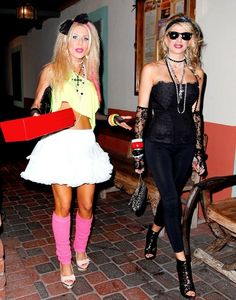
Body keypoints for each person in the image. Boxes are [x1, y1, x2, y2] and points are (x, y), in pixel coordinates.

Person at [20, 13, 130, 289]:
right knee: (63, 206)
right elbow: (36, 105)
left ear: (92, 44)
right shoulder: (52, 69)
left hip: (86, 145)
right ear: (65, 41)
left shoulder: (92, 75)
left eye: (86, 38)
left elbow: (96, 114)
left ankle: (80, 247)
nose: (80, 42)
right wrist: (35, 116)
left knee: (87, 205)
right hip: (59, 144)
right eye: (75, 37)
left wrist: (114, 119)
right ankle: (64, 258)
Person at [131, 14, 206, 298]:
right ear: (165, 39)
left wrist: (199, 151)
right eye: (174, 34)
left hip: (185, 144)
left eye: (185, 36)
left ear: (192, 41)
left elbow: (197, 115)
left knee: (169, 196)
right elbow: (142, 113)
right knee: (174, 201)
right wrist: (138, 152)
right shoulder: (151, 70)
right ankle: (183, 266)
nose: (179, 40)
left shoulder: (198, 73)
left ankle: (152, 232)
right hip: (157, 143)